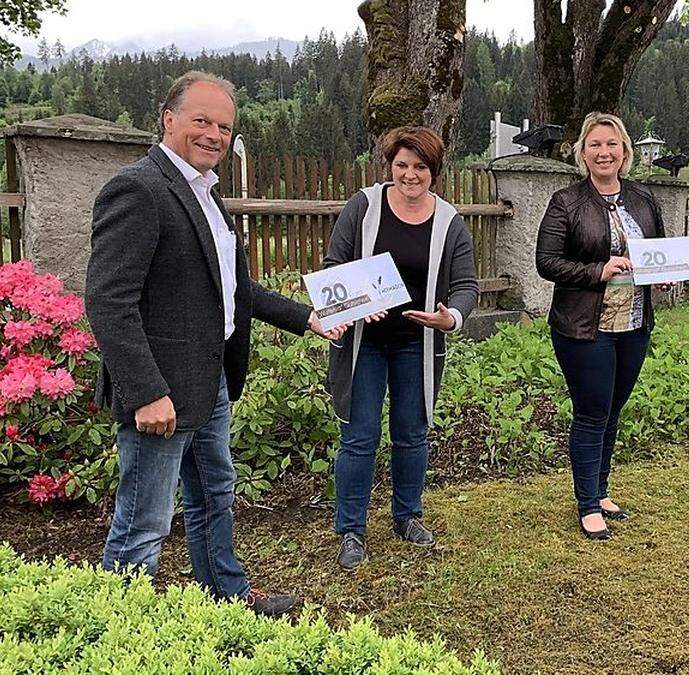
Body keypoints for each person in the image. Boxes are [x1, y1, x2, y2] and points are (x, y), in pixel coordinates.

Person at [86, 71, 344, 617]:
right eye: (202, 120)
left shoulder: (206, 192)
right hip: (161, 396)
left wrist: (309, 319)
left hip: (210, 385)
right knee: (144, 521)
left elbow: (233, 288)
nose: (214, 134)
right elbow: (109, 301)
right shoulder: (140, 188)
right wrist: (146, 392)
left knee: (214, 499)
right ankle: (116, 628)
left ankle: (225, 598)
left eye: (224, 126)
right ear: (169, 119)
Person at [324, 126, 479, 570]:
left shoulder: (449, 222)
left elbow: (466, 286)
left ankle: (407, 516)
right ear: (390, 167)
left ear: (434, 172)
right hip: (364, 343)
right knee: (359, 435)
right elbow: (336, 264)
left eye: (420, 167)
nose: (411, 175)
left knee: (411, 434)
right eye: (402, 166)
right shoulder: (364, 207)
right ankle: (351, 530)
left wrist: (450, 318)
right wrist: (354, 306)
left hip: (418, 342)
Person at [536, 112, 667, 541]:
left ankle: (602, 490)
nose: (604, 152)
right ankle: (588, 504)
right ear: (583, 152)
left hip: (633, 323)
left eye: (612, 144)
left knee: (612, 411)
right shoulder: (566, 202)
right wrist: (599, 270)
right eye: (595, 144)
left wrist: (663, 272)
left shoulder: (644, 200)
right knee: (592, 413)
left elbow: (659, 254)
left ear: (625, 151)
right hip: (583, 328)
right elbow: (547, 262)